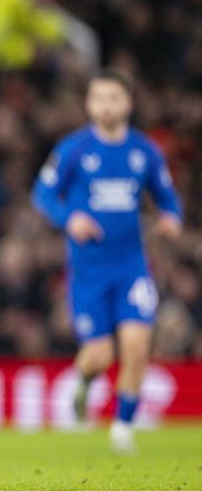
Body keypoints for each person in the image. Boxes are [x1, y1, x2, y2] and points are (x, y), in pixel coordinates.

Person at [32, 69, 182, 453]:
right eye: (99, 98)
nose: (106, 106)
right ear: (89, 104)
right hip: (88, 271)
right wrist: (71, 218)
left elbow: (167, 197)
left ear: (127, 103)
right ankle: (83, 382)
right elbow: (44, 195)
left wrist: (171, 217)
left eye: (114, 98)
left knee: (136, 346)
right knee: (100, 355)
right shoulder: (73, 149)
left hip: (132, 265)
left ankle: (122, 428)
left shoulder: (144, 151)